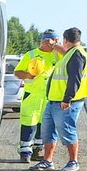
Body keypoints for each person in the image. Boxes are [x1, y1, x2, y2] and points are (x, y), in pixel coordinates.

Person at [31, 27, 87, 171]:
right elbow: (64, 53)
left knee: (67, 130)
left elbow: (74, 80)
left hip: (66, 102)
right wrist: (54, 45)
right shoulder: (71, 52)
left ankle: (74, 161)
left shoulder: (76, 55)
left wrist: (67, 99)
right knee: (48, 131)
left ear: (65, 39)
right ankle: (47, 161)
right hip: (54, 100)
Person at [15, 29, 61, 161]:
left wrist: (56, 46)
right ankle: (25, 152)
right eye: (47, 41)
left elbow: (69, 54)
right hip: (32, 96)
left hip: (49, 97)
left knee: (44, 125)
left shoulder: (58, 55)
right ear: (42, 41)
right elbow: (17, 72)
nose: (49, 44)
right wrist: (28, 75)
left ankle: (38, 151)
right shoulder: (31, 54)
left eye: (53, 41)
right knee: (28, 123)